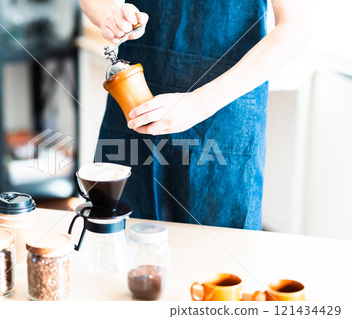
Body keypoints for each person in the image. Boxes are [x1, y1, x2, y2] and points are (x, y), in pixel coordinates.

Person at [79, 0, 310, 230]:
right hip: (135, 104)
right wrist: (111, 16)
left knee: (214, 254)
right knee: (120, 241)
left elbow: (294, 28)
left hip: (224, 114)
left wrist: (198, 104)